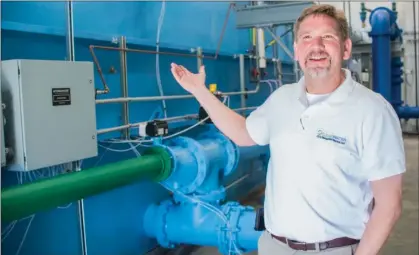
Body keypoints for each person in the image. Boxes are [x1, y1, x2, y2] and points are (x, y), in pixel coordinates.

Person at [170, 4, 405, 255]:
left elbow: (389, 204)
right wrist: (199, 91)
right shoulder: (282, 99)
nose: (316, 46)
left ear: (346, 48)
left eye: (327, 37)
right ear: (296, 50)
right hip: (274, 246)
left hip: (334, 249)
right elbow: (243, 133)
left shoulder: (372, 110)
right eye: (306, 37)